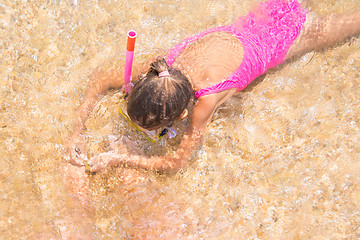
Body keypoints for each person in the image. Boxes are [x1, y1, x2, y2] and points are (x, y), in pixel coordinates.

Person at [66, 0, 360, 174]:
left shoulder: (204, 103)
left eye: (156, 132)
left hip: (290, 37)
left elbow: (176, 163)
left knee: (351, 23)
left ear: (182, 116)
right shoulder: (163, 69)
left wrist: (120, 159)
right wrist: (76, 131)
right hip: (268, 14)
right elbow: (101, 80)